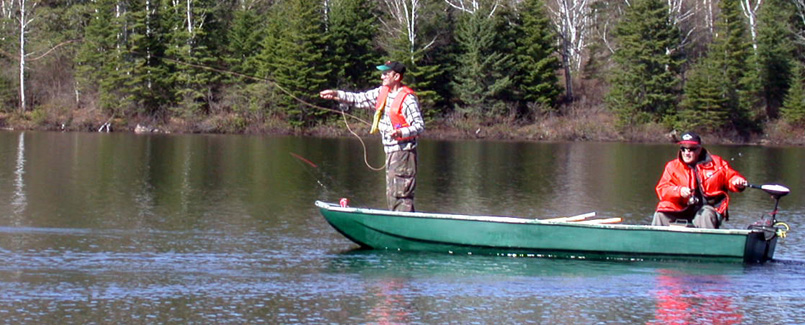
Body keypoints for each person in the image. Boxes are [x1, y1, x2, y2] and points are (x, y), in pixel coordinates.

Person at [319, 61, 425, 212]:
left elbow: (420, 126)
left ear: (396, 76)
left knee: (400, 194)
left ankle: (405, 227)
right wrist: (336, 94)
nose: (382, 77)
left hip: (404, 152)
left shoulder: (408, 99)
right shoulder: (382, 92)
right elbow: (359, 98)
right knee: (392, 194)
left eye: (385, 74)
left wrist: (401, 132)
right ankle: (398, 226)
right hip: (391, 152)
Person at [652, 132, 747, 229]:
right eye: (683, 149)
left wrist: (737, 181)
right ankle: (655, 242)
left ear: (699, 149)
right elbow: (662, 189)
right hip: (680, 208)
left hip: (708, 208)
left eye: (691, 149)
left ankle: (706, 243)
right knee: (660, 215)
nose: (686, 153)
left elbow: (731, 176)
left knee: (705, 215)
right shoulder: (672, 166)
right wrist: (679, 191)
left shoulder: (717, 163)